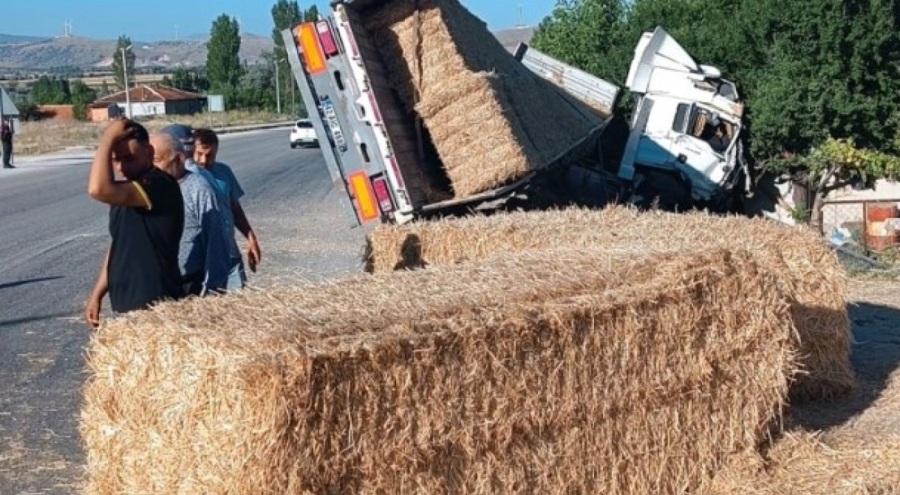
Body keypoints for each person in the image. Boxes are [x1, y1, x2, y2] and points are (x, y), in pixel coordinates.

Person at [85, 119, 185, 329]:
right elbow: (119, 245)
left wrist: (107, 139)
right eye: (116, 159)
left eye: (129, 158)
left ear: (149, 153)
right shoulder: (126, 191)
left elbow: (97, 189)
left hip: (157, 304)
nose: (121, 166)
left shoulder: (159, 184)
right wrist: (97, 294)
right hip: (127, 303)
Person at [150, 131, 231, 296]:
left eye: (156, 160)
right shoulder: (153, 187)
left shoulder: (198, 188)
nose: (151, 167)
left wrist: (214, 287)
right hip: (160, 282)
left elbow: (216, 239)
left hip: (189, 283)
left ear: (179, 159)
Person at [192, 127, 261, 290]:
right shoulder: (187, 177)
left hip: (230, 255)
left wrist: (250, 237)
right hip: (202, 260)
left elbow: (234, 208)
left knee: (239, 300)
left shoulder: (224, 172)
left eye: (210, 155)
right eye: (199, 154)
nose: (203, 160)